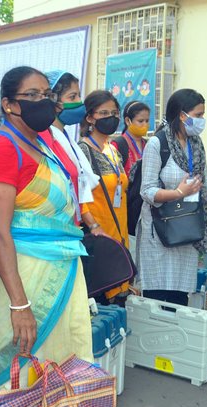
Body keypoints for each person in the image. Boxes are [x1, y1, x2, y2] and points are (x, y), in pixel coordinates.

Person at [0, 66, 92, 390]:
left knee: (64, 379)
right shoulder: (1, 148)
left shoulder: (42, 143)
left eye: (47, 94)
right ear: (9, 104)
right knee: (23, 385)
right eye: (33, 95)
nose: (44, 101)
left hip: (63, 272)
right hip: (24, 283)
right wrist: (20, 305)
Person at [137, 88, 207, 306]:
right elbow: (147, 191)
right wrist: (178, 193)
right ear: (182, 115)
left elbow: (202, 186)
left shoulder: (196, 144)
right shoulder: (157, 144)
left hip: (187, 231)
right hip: (160, 232)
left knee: (179, 298)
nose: (202, 120)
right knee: (157, 297)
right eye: (198, 115)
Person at [78, 90, 131, 304]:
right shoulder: (83, 150)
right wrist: (93, 226)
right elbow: (79, 196)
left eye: (114, 113)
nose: (111, 117)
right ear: (90, 118)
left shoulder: (112, 149)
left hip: (119, 233)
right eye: (104, 113)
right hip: (99, 237)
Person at [43, 70, 97, 209]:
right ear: (54, 101)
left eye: (79, 95)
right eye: (72, 97)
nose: (79, 102)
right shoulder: (46, 139)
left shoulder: (66, 138)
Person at [112, 100, 151, 175]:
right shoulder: (117, 145)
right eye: (140, 121)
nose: (145, 124)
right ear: (127, 121)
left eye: (147, 121)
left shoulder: (148, 144)